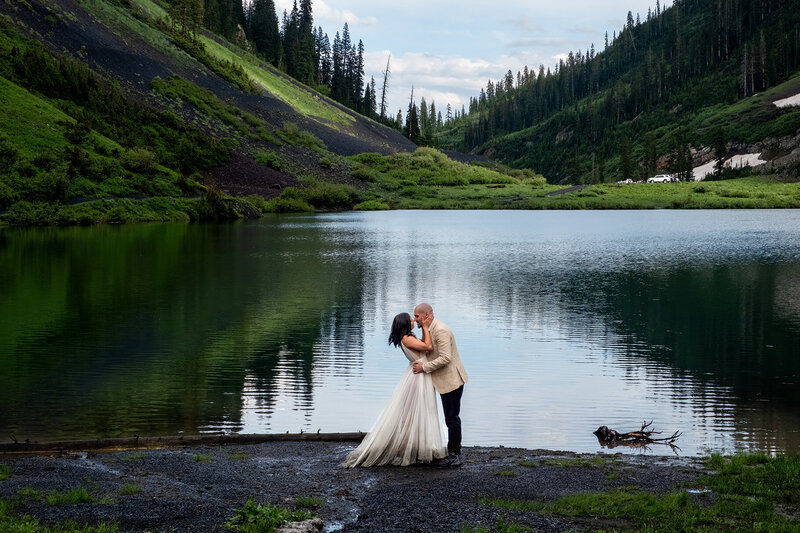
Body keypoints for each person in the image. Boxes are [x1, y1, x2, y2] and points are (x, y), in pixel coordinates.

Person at [343, 312, 448, 467]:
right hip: (418, 378)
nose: (413, 320)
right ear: (405, 323)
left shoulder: (407, 337)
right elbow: (428, 346)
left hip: (420, 374)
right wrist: (425, 327)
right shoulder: (407, 338)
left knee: (418, 412)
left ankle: (416, 447)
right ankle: (404, 448)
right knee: (412, 413)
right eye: (411, 319)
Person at [412, 303, 468, 466]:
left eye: (417, 316)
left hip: (451, 380)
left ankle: (455, 454)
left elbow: (445, 358)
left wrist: (424, 367)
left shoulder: (441, 330)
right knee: (449, 417)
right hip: (440, 379)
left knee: (452, 418)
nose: (415, 319)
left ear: (427, 315)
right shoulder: (428, 329)